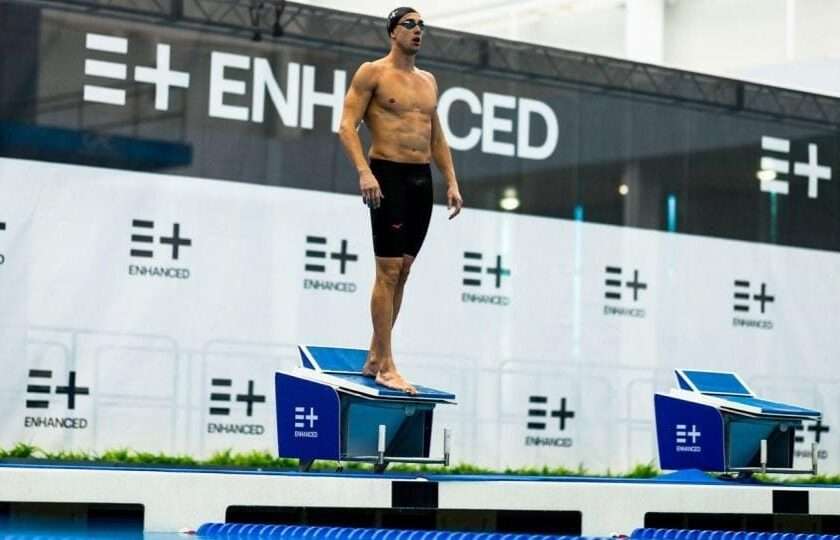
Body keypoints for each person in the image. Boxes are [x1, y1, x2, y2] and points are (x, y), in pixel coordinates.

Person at [338, 6, 464, 394]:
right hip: (386, 175)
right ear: (393, 32)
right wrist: (364, 172)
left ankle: (376, 356)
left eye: (422, 25)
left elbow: (436, 136)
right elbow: (346, 126)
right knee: (388, 271)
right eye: (410, 24)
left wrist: (451, 181)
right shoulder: (372, 73)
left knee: (404, 270)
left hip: (419, 180)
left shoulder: (428, 81)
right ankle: (387, 366)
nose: (417, 30)